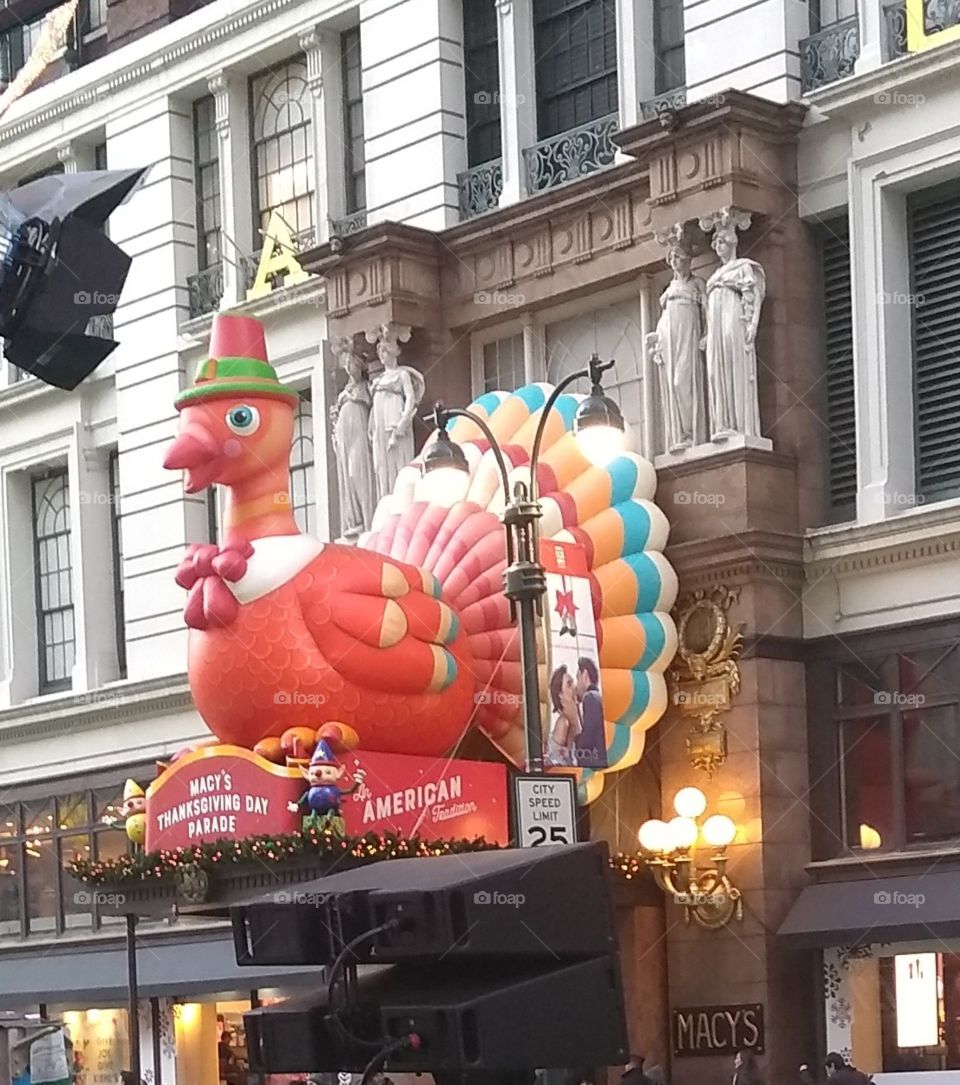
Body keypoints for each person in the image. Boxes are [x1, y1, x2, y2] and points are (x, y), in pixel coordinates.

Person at [574, 657, 605, 768]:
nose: (576, 686)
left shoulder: (590, 697)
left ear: (585, 675)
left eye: (577, 678)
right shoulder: (599, 697)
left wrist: (576, 739)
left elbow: (588, 739)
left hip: (595, 761)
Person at [547, 664, 581, 766]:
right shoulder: (563, 723)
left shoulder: (580, 717)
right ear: (560, 694)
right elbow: (556, 762)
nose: (575, 687)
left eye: (574, 682)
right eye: (569, 684)